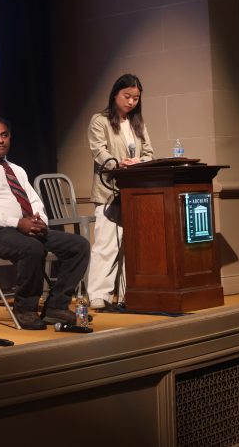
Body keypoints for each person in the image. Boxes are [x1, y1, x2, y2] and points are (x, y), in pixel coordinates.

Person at [0, 117, 90, 330]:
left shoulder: (16, 169)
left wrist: (39, 221)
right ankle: (25, 309)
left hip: (24, 228)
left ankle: (56, 306)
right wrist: (17, 223)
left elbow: (34, 200)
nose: (1, 140)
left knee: (79, 245)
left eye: (4, 135)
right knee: (32, 247)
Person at [87, 74, 153, 310]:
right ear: (115, 94)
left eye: (136, 98)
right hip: (109, 190)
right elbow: (98, 150)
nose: (131, 102)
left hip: (134, 192)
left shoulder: (137, 123)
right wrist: (118, 163)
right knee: (107, 245)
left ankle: (127, 293)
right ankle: (98, 294)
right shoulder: (100, 120)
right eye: (127, 96)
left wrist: (139, 162)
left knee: (132, 245)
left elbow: (149, 152)